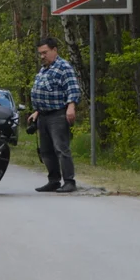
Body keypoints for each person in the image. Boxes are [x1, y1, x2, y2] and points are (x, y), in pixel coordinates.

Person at [28, 36, 82, 193]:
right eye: (40, 53)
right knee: (46, 150)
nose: (42, 56)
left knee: (61, 148)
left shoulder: (64, 67)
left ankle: (69, 181)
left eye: (45, 52)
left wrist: (71, 107)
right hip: (43, 115)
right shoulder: (44, 69)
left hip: (58, 114)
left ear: (54, 50)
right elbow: (46, 91)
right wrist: (37, 111)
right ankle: (53, 180)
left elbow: (72, 88)